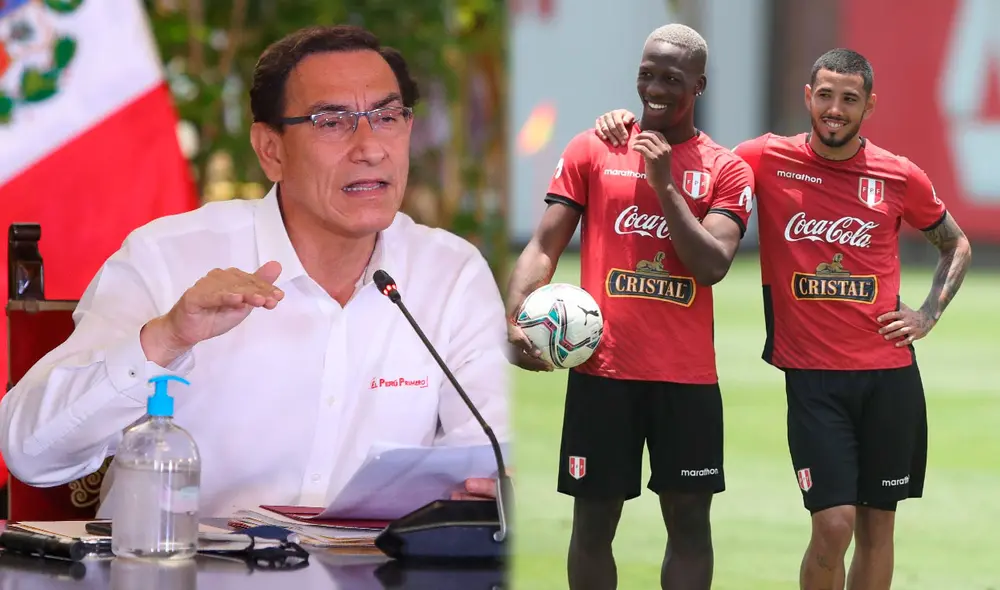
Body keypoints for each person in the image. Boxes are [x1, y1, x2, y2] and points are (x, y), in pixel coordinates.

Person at [0, 24, 509, 519]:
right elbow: (31, 452)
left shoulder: (450, 273)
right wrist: (165, 339)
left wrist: (488, 494)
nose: (371, 147)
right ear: (271, 150)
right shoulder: (168, 257)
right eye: (331, 122)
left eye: (387, 116)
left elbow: (483, 460)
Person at [594, 48, 973, 590]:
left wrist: (928, 314)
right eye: (825, 96)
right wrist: (633, 122)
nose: (834, 110)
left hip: (890, 378)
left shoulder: (898, 175)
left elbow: (954, 243)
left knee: (877, 526)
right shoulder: (765, 158)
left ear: (869, 105)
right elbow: (693, 152)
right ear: (808, 97)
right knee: (834, 524)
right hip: (814, 380)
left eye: (849, 99)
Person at [506, 24, 755, 590]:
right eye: (648, 75)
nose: (657, 89)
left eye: (673, 78)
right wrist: (515, 317)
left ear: (700, 85)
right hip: (603, 373)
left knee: (689, 523)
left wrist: (664, 183)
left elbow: (712, 265)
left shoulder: (726, 168)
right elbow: (545, 243)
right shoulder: (592, 149)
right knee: (592, 524)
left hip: (686, 379)